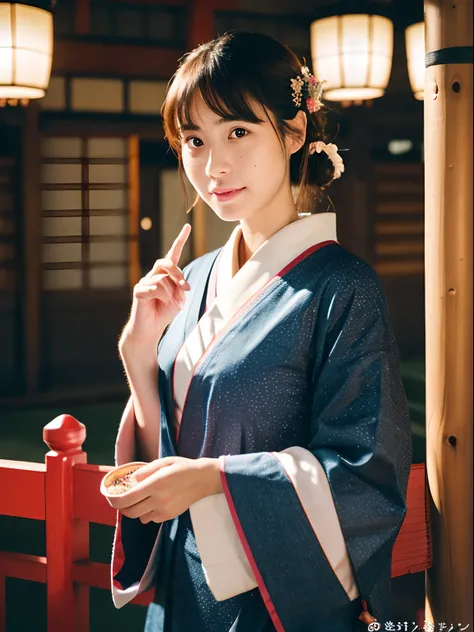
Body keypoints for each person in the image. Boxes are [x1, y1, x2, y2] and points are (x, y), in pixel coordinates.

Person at [110, 31, 412, 632]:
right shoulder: (192, 280)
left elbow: (363, 470)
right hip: (182, 582)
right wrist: (139, 354)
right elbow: (164, 451)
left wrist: (211, 478)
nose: (213, 165)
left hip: (270, 596)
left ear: (295, 131)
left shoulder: (341, 287)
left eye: (238, 133)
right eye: (194, 140)